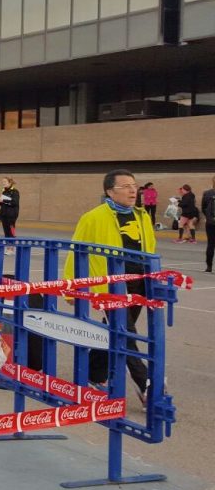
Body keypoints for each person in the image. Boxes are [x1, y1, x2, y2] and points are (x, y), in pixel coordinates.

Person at [63, 169, 154, 408]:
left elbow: (150, 250)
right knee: (126, 333)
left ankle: (94, 373)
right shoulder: (93, 217)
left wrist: (153, 279)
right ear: (109, 191)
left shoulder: (142, 215)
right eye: (125, 186)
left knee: (113, 331)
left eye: (134, 185)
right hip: (111, 285)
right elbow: (77, 250)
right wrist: (71, 286)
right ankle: (146, 385)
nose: (133, 190)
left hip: (139, 283)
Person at [0, 177, 20, 255]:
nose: (3, 183)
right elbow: (2, 203)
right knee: (6, 231)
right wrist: (0, 201)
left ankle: (12, 248)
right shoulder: (4, 191)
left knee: (11, 231)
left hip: (12, 214)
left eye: (5, 181)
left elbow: (15, 202)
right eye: (2, 181)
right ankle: (8, 247)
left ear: (10, 183)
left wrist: (4, 200)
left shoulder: (15, 191)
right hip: (4, 214)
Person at [202, 176, 215, 272]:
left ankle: (209, 266)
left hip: (210, 222)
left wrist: (208, 217)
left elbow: (204, 208)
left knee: (210, 244)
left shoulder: (207, 193)